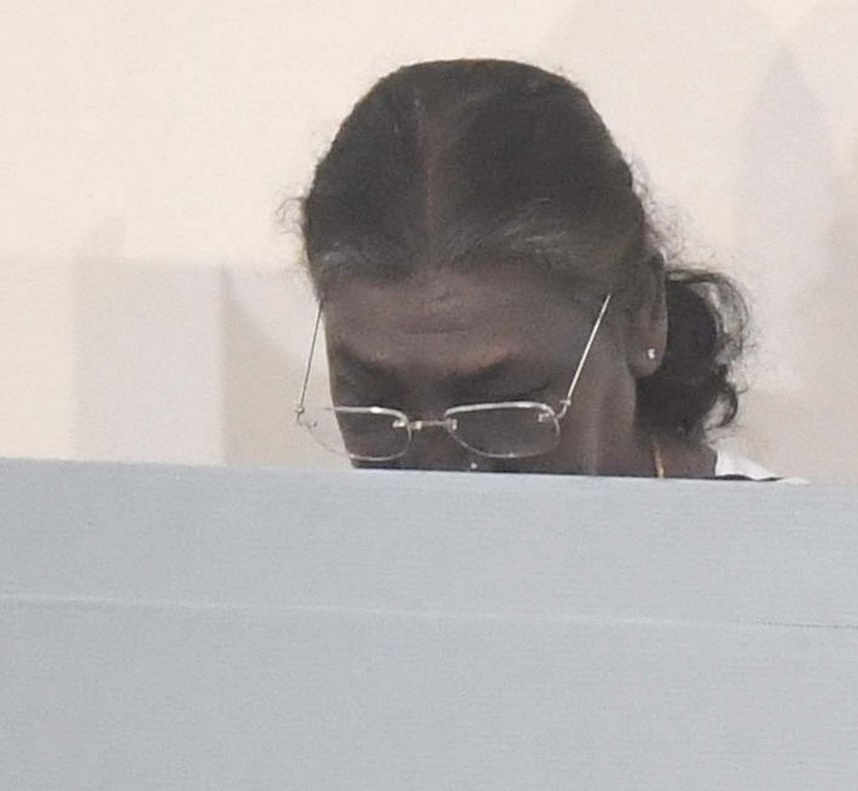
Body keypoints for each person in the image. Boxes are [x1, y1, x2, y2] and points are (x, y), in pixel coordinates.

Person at [292, 58, 774, 481]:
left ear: (642, 314)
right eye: (373, 405)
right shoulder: (301, 550)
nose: (435, 472)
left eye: (503, 407)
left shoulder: (790, 548)